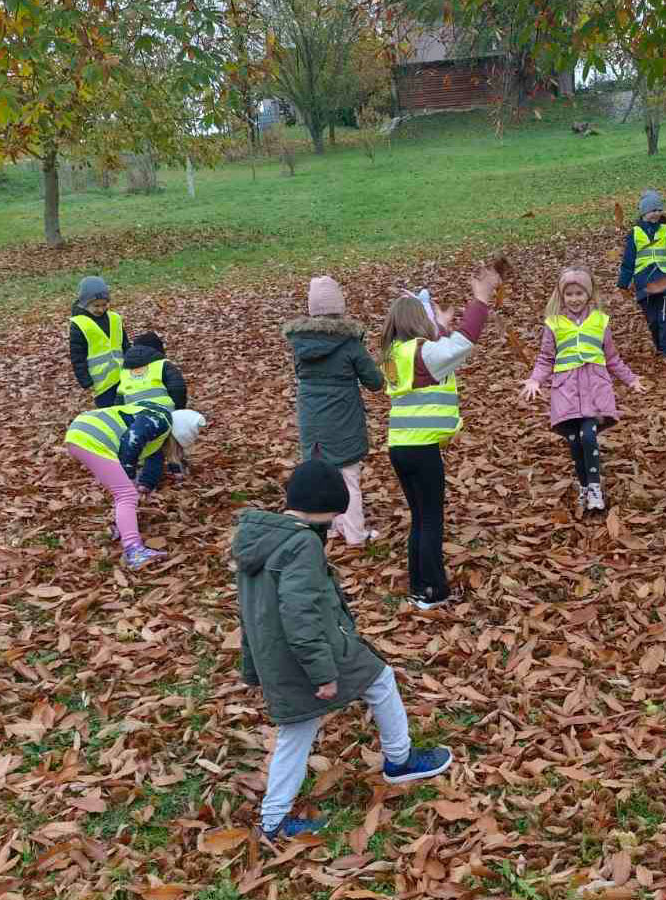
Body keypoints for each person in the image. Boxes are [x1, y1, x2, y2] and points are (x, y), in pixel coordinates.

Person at [233, 459, 453, 841]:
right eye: (335, 513)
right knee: (377, 683)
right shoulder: (302, 545)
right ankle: (399, 761)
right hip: (312, 654)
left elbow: (251, 613)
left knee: (301, 727)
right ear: (322, 506)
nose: (336, 521)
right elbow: (300, 615)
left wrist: (253, 666)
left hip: (281, 657)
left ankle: (273, 819)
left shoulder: (260, 540)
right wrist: (323, 673)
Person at [380, 264, 500, 610]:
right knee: (431, 518)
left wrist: (441, 327)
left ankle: (419, 587)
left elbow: (438, 354)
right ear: (420, 322)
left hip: (400, 447)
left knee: (420, 518)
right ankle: (433, 590)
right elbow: (462, 344)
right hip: (422, 450)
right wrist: (480, 299)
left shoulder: (397, 354)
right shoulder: (423, 353)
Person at [520, 266, 644, 512]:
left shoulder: (600, 321)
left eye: (579, 293)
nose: (574, 299)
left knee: (589, 435)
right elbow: (546, 358)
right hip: (566, 391)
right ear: (561, 296)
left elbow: (612, 358)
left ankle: (595, 487)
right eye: (569, 294)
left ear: (588, 294)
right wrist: (535, 380)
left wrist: (631, 379)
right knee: (575, 440)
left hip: (595, 388)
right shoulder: (554, 323)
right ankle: (584, 486)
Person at [283, 276, 385, 546]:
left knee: (319, 476)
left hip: (311, 421)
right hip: (343, 420)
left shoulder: (300, 344)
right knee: (348, 477)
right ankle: (355, 534)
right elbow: (375, 382)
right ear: (340, 306)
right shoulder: (350, 343)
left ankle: (325, 527)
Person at [64, 404, 205, 569]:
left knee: (123, 492)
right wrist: (129, 474)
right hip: (93, 437)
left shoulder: (155, 414)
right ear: (178, 436)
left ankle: (122, 527)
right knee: (127, 494)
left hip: (82, 432)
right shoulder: (161, 420)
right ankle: (134, 551)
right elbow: (132, 440)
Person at [616, 190, 666, 358]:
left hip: (663, 278)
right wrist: (623, 282)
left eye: (659, 210)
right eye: (653, 210)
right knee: (652, 319)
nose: (657, 213)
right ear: (644, 212)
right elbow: (628, 260)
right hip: (644, 281)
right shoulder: (635, 233)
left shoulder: (665, 230)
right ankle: (659, 346)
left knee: (664, 315)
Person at [117, 331, 189, 493]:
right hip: (162, 412)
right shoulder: (163, 364)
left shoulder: (125, 371)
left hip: (135, 415)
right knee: (171, 441)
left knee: (151, 447)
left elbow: (120, 397)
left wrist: (122, 417)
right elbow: (178, 387)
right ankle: (167, 473)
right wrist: (178, 408)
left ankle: (143, 480)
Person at [69, 275, 130, 408]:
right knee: (109, 414)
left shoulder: (115, 318)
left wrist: (132, 362)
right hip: (102, 385)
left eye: (104, 304)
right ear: (84, 304)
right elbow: (77, 357)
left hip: (124, 377)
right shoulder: (79, 325)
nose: (101, 309)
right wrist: (86, 381)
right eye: (96, 305)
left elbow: (125, 344)